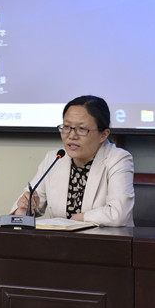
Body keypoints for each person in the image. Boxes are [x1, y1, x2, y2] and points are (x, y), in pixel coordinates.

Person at [11, 95, 134, 226]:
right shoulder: (54, 158)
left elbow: (119, 214)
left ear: (103, 135)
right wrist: (24, 210)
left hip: (105, 238)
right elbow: (28, 204)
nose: (71, 136)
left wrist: (81, 218)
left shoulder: (118, 159)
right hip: (60, 239)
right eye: (66, 127)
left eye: (82, 129)